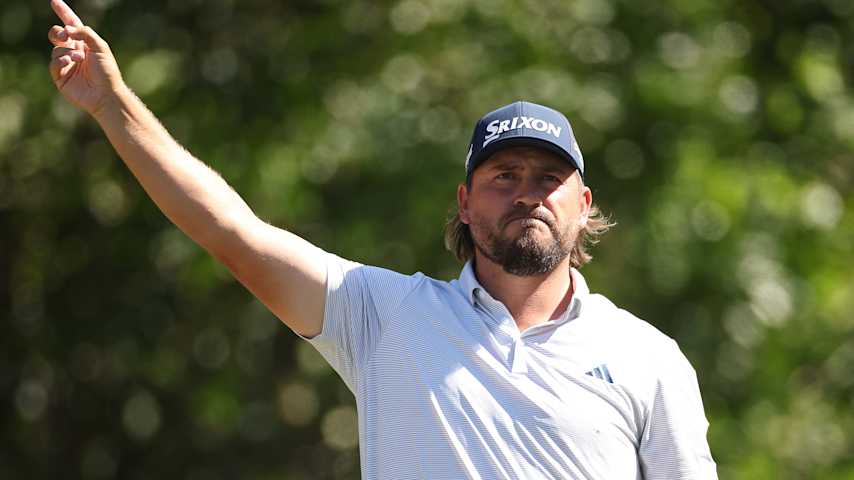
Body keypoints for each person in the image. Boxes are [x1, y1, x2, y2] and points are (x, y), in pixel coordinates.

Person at [48, 0, 717, 478]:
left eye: (549, 177)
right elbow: (232, 232)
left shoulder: (647, 358)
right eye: (503, 175)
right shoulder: (385, 317)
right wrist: (113, 106)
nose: (527, 193)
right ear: (463, 201)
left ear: (584, 203)